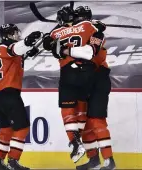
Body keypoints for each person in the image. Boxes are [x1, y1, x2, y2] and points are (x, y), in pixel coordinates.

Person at [42, 6, 107, 164]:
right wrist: (98, 25)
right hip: (89, 74)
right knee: (83, 115)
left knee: (68, 110)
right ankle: (94, 158)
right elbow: (96, 35)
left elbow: (47, 44)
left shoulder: (55, 33)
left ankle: (76, 143)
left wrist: (47, 40)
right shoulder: (87, 26)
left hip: (69, 73)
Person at [0, 23, 42, 170]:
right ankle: (13, 161)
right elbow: (17, 48)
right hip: (8, 93)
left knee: (6, 129)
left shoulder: (1, 48)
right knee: (22, 127)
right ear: (8, 35)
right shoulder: (6, 46)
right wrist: (27, 42)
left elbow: (17, 53)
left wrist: (28, 49)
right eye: (14, 33)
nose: (17, 35)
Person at [72, 6, 116, 170]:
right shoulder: (83, 32)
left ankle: (108, 160)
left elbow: (91, 52)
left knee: (97, 120)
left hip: (98, 80)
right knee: (85, 124)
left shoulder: (96, 33)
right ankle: (93, 159)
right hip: (82, 81)